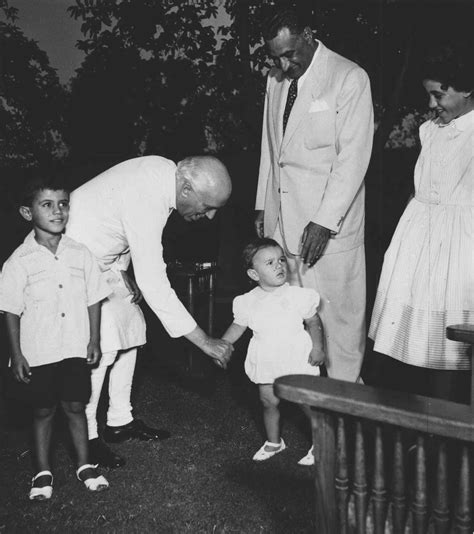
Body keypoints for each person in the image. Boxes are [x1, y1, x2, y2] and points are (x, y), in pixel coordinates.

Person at [66, 154, 234, 468]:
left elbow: (117, 223)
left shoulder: (162, 173)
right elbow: (154, 282)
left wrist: (121, 268)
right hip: (70, 264)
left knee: (130, 327)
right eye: (207, 206)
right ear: (185, 189)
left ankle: (119, 420)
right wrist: (204, 341)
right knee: (102, 345)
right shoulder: (150, 193)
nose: (210, 217)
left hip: (103, 263)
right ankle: (84, 438)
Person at [254, 8, 374, 383]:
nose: (285, 64)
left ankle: (345, 418)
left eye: (290, 53)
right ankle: (313, 414)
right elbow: (271, 151)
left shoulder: (349, 77)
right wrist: (262, 205)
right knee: (298, 327)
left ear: (308, 34)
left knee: (339, 329)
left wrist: (324, 222)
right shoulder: (275, 81)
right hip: (283, 226)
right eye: (276, 57)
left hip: (329, 231)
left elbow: (353, 159)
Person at [369, 47, 474, 404]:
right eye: (428, 94)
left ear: (467, 89)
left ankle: (450, 434)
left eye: (439, 94)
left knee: (453, 343)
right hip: (421, 237)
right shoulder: (429, 131)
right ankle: (424, 429)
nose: (432, 103)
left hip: (461, 243)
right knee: (418, 339)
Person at [0, 177, 111, 500]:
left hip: (74, 346)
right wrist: (17, 354)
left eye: (63, 203)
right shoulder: (19, 261)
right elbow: (10, 311)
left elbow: (94, 298)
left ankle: (85, 465)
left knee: (76, 405)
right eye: (47, 204)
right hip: (39, 349)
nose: (58, 211)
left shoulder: (80, 253)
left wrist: (93, 340)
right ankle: (42, 473)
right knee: (43, 409)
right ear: (26, 211)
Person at [222, 238, 325, 465]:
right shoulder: (247, 301)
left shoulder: (297, 295)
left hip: (297, 356)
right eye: (269, 263)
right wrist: (223, 345)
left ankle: (322, 442)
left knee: (305, 401)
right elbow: (238, 326)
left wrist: (318, 347)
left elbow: (314, 322)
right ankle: (274, 442)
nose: (279, 265)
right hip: (267, 358)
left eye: (280, 260)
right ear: (254, 275)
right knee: (268, 401)